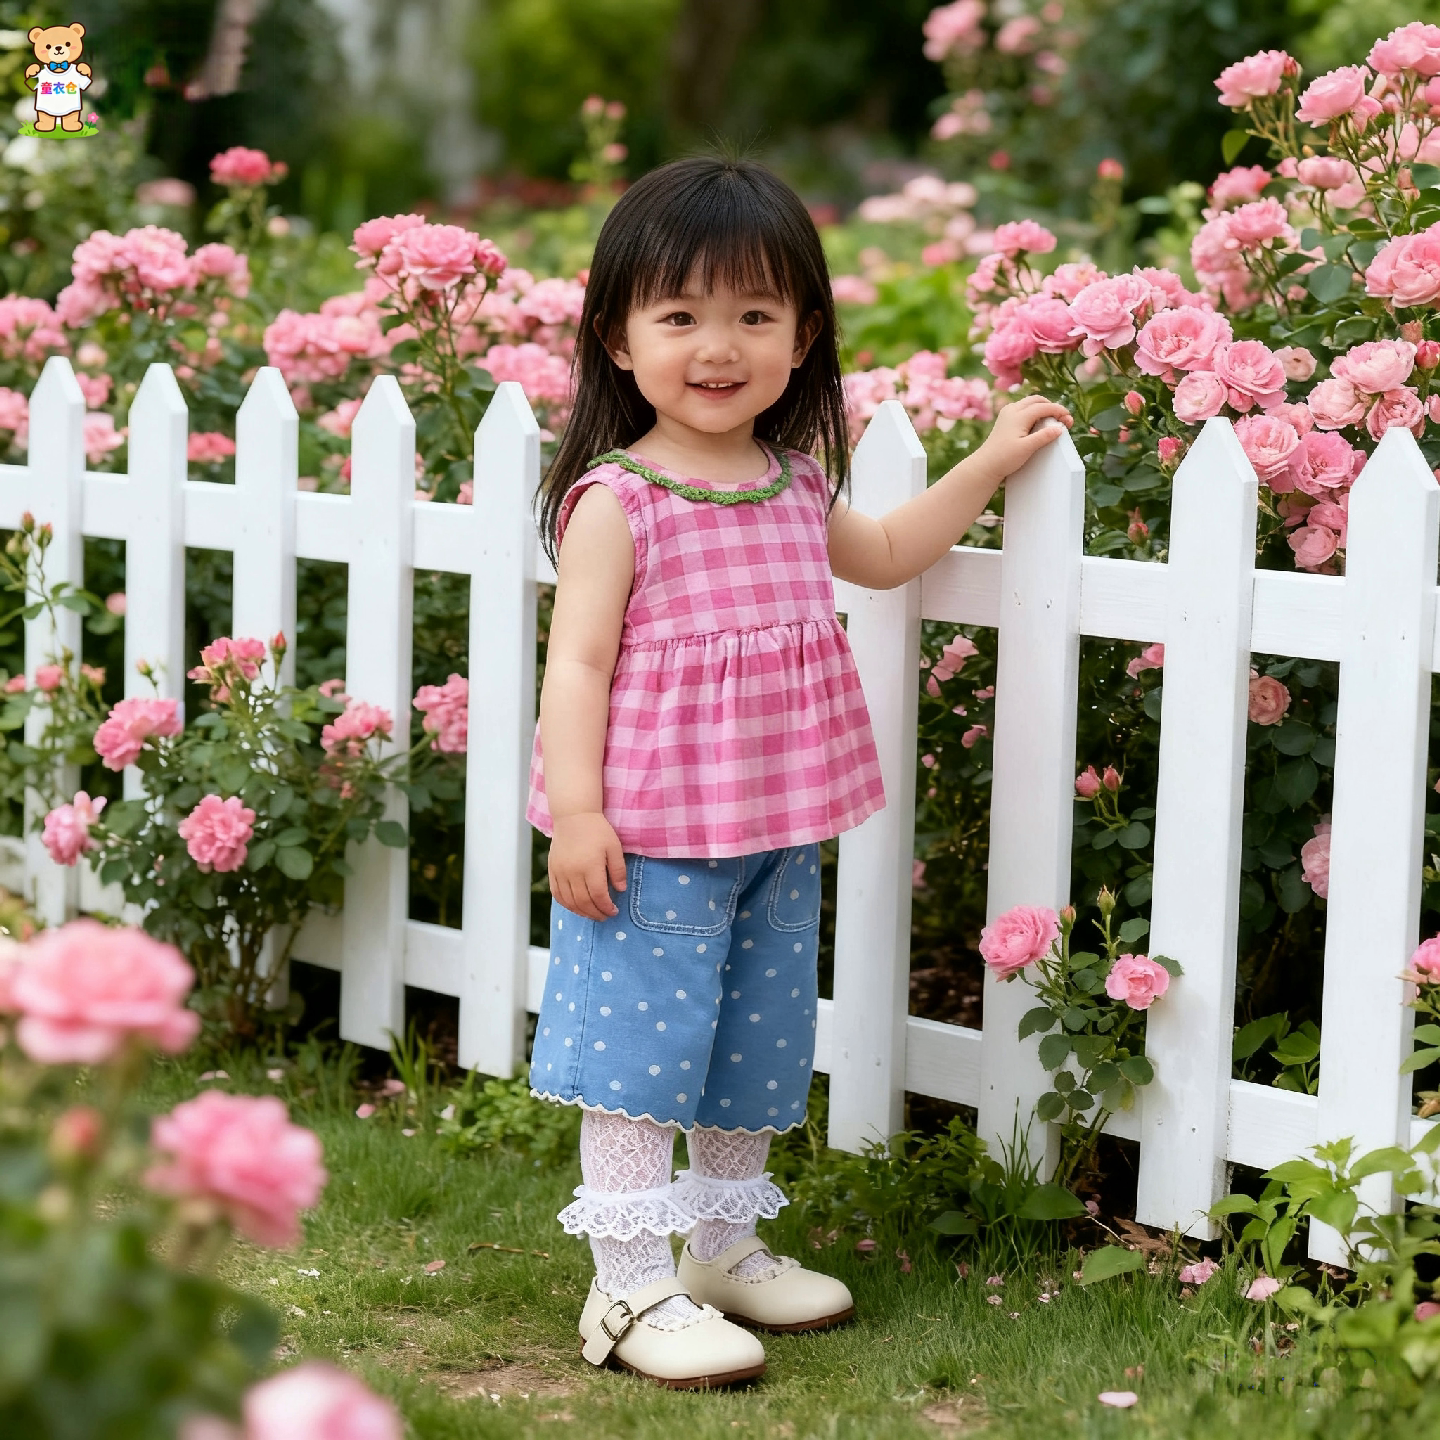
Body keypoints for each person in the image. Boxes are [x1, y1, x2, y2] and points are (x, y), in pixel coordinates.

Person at [527, 155, 1071, 1388]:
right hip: (656, 833)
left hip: (777, 823)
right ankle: (624, 1289)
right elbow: (578, 668)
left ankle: (723, 1246)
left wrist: (986, 462)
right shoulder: (620, 501)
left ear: (802, 334)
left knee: (749, 1040)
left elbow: (883, 555)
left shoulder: (794, 477)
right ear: (618, 338)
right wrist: (576, 810)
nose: (717, 347)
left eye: (753, 316)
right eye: (680, 317)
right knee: (638, 1054)